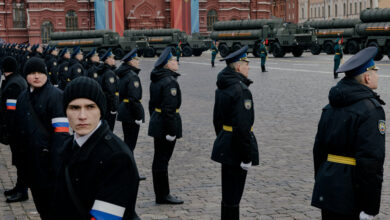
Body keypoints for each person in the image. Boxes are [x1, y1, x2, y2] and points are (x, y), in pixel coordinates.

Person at [311, 47, 385, 220]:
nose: (377, 75)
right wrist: (370, 206)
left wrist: (322, 180)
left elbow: (318, 150)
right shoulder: (371, 110)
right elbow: (371, 160)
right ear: (367, 77)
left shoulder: (330, 107)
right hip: (352, 193)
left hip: (328, 188)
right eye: (375, 71)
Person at [51, 76, 140, 220]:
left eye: (90, 107)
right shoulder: (66, 146)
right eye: (74, 107)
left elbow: (105, 217)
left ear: (101, 110)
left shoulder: (117, 157)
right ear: (65, 111)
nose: (82, 116)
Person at [15, 57, 69, 219]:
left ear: (46, 74)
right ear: (26, 76)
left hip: (49, 164)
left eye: (40, 72)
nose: (36, 76)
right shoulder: (23, 97)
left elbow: (61, 134)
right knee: (41, 204)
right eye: (32, 73)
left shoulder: (56, 96)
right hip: (31, 163)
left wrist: (56, 165)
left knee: (54, 207)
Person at [211, 45, 259, 220]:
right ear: (238, 66)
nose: (248, 67)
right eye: (246, 63)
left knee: (228, 194)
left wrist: (224, 137)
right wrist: (247, 156)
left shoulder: (224, 86)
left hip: (226, 142)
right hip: (237, 147)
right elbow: (243, 127)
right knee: (234, 195)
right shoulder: (241, 90)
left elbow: (216, 120)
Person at [148, 47, 183, 204]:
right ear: (167, 65)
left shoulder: (157, 79)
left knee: (159, 160)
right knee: (162, 160)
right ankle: (163, 195)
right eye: (174, 60)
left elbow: (152, 104)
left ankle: (161, 194)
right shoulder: (170, 82)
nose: (177, 63)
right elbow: (169, 109)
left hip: (157, 121)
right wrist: (171, 130)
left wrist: (155, 119)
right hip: (165, 125)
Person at [0, 56, 28, 203]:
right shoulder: (17, 80)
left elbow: (11, 113)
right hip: (20, 129)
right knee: (19, 159)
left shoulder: (13, 85)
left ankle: (22, 191)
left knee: (20, 160)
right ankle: (19, 187)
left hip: (17, 130)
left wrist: (7, 131)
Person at [116, 49, 146, 181]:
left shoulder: (123, 74)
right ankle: (130, 172)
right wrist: (139, 116)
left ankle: (128, 171)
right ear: (131, 62)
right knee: (130, 144)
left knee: (128, 142)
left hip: (124, 110)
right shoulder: (132, 76)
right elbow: (134, 99)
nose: (138, 62)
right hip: (131, 112)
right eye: (136, 59)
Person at [98, 48, 119, 131]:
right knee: (109, 128)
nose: (114, 60)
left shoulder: (102, 70)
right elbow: (111, 91)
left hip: (103, 103)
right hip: (109, 106)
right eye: (112, 58)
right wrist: (113, 107)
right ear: (107, 60)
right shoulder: (109, 73)